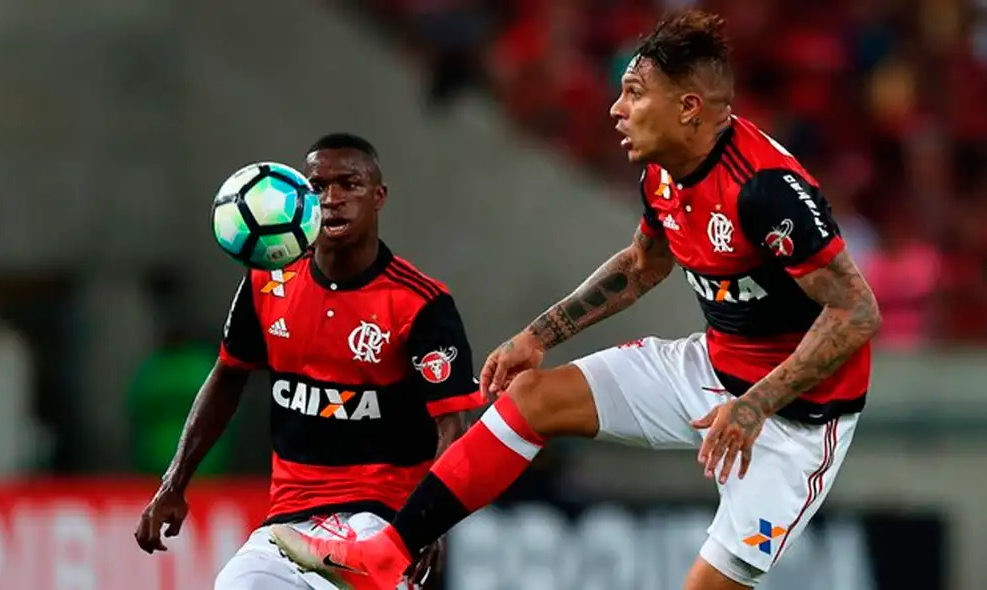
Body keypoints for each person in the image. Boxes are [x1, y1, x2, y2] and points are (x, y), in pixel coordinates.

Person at [271, 11, 882, 590]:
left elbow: (857, 311)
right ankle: (384, 558)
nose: (617, 108)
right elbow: (641, 266)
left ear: (688, 108)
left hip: (796, 418)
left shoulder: (765, 191)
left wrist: (754, 405)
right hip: (713, 369)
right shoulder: (662, 171)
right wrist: (538, 335)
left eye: (634, 93)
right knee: (532, 398)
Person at [134, 133, 485, 590]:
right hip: (289, 521)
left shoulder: (420, 303)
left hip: (384, 519)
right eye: (318, 187)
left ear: (378, 197)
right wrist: (174, 482)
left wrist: (428, 523)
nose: (333, 199)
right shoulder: (268, 280)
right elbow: (227, 377)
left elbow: (453, 427)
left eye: (349, 184)